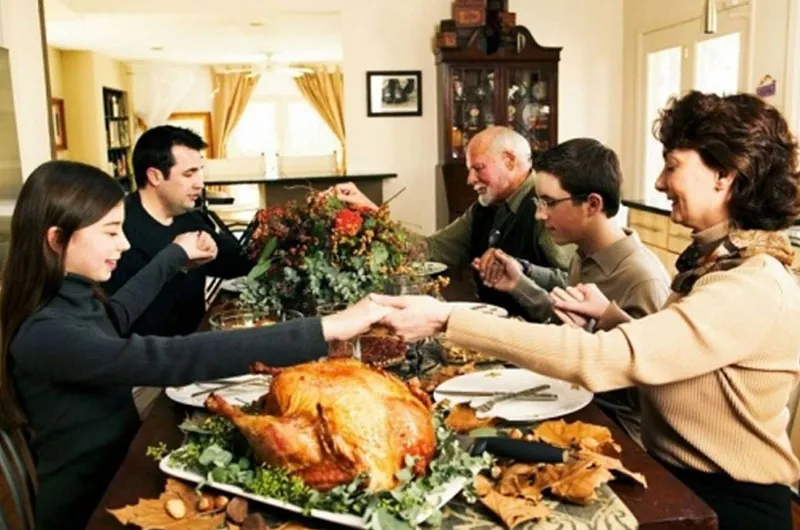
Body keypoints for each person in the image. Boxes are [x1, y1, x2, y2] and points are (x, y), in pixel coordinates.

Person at [375, 91, 800, 530]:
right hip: (680, 479)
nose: (658, 183)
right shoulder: (719, 261)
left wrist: (449, 319)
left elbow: (603, 359)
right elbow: (681, 362)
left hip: (728, 505)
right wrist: (612, 320)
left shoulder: (750, 284)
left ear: (723, 176)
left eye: (672, 165)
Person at [0, 161, 390, 530]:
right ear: (57, 239)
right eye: (110, 231)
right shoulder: (45, 333)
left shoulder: (69, 299)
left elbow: (116, 315)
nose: (123, 244)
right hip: (91, 507)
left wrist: (173, 257)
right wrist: (325, 328)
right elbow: (169, 357)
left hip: (121, 466)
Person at [473, 138, 670, 443]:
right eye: (539, 202)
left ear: (593, 204)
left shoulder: (643, 279)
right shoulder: (584, 256)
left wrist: (596, 328)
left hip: (616, 429)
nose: (540, 215)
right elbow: (565, 319)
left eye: (549, 203)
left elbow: (651, 394)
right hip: (576, 399)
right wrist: (517, 284)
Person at [333, 126, 573, 318]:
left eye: (478, 168)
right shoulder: (483, 208)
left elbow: (574, 282)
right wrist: (370, 212)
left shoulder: (546, 205)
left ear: (510, 161)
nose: (470, 179)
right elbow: (429, 249)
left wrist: (522, 271)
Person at [104, 125, 253, 338]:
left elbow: (236, 263)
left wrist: (281, 237)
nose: (200, 184)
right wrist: (179, 264)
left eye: (200, 172)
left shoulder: (188, 217)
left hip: (196, 343)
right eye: (189, 174)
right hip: (152, 359)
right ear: (155, 176)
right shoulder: (118, 231)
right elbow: (122, 320)